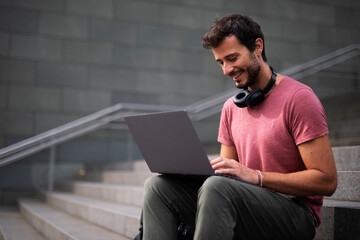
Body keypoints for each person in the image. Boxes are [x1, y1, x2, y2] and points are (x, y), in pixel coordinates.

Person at [140, 14, 337, 240]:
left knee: (217, 189)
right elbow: (226, 174)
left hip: (294, 213)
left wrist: (257, 176)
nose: (226, 69)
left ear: (257, 47)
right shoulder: (231, 108)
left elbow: (327, 180)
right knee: (157, 187)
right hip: (244, 203)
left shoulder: (299, 98)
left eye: (232, 58)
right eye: (221, 62)